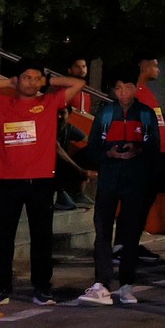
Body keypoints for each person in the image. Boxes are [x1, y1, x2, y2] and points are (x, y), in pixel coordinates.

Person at [0, 63, 74, 305]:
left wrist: (48, 81)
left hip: (41, 182)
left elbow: (78, 84)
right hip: (8, 183)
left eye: (36, 78)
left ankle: (42, 289)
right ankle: (0, 288)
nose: (32, 82)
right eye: (27, 77)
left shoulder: (49, 103)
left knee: (41, 238)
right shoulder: (2, 103)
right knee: (4, 238)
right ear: (17, 79)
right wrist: (7, 83)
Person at [75, 75, 165, 305]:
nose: (123, 93)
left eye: (128, 87)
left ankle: (126, 285)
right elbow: (92, 148)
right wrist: (108, 153)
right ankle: (101, 283)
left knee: (131, 234)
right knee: (103, 231)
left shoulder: (146, 113)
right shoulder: (106, 113)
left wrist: (138, 150)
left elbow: (155, 148)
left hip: (136, 182)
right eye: (118, 88)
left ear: (135, 88)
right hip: (108, 180)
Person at [52, 57, 96, 213]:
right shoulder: (64, 90)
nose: (82, 69)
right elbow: (57, 149)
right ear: (69, 70)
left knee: (93, 151)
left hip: (62, 165)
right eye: (78, 66)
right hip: (47, 166)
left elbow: (88, 139)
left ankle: (77, 193)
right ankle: (63, 194)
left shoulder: (69, 127)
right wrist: (80, 171)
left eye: (84, 66)